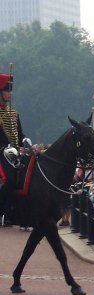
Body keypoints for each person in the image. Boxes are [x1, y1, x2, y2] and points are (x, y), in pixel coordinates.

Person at [0, 72, 25, 225]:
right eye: (7, 90)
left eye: (10, 90)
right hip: (0, 152)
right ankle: (2, 211)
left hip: (14, 153)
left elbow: (20, 136)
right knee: (8, 180)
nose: (10, 94)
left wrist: (24, 142)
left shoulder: (14, 114)